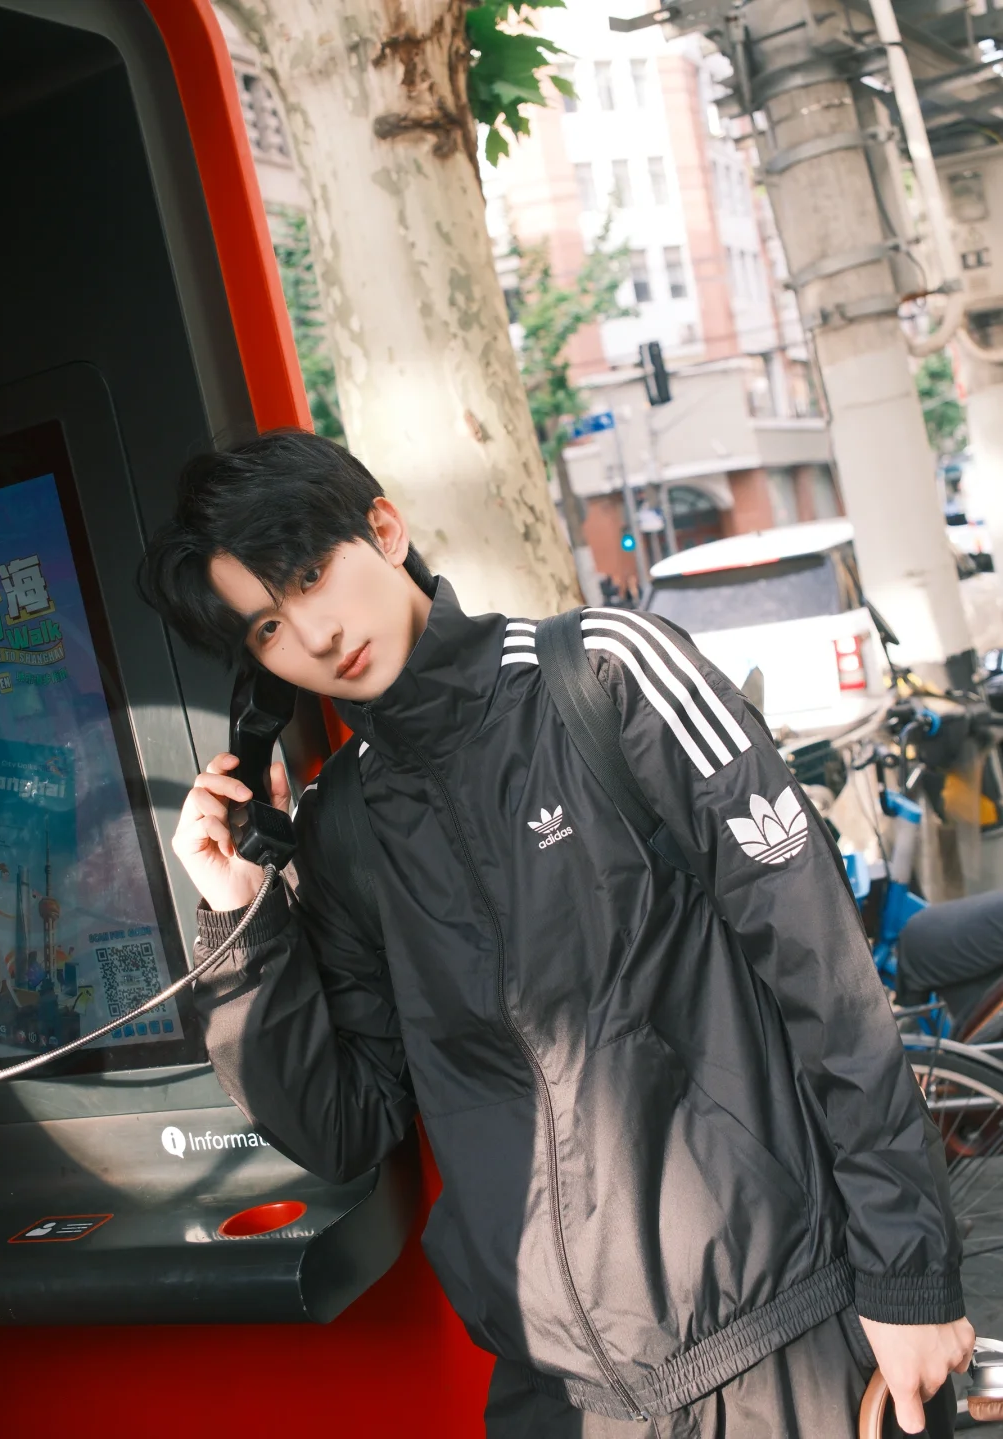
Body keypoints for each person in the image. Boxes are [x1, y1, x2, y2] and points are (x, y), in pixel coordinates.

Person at [142, 430, 973, 1438]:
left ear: (384, 527)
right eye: (271, 626)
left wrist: (908, 1276)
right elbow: (345, 1125)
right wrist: (241, 922)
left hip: (776, 1345)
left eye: (313, 574)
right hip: (560, 1399)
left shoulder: (606, 679)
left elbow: (828, 982)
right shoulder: (346, 827)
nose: (316, 635)